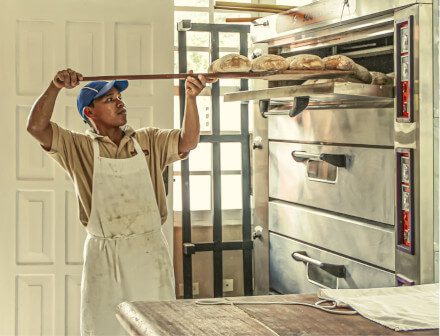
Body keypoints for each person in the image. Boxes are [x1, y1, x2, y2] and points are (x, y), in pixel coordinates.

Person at [27, 68, 208, 336]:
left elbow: (188, 141)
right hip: (105, 256)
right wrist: (54, 86)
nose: (120, 102)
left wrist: (191, 98)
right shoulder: (78, 147)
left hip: (149, 252)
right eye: (109, 99)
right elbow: (36, 127)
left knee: (157, 325)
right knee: (104, 326)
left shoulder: (148, 140)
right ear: (89, 113)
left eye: (119, 96)